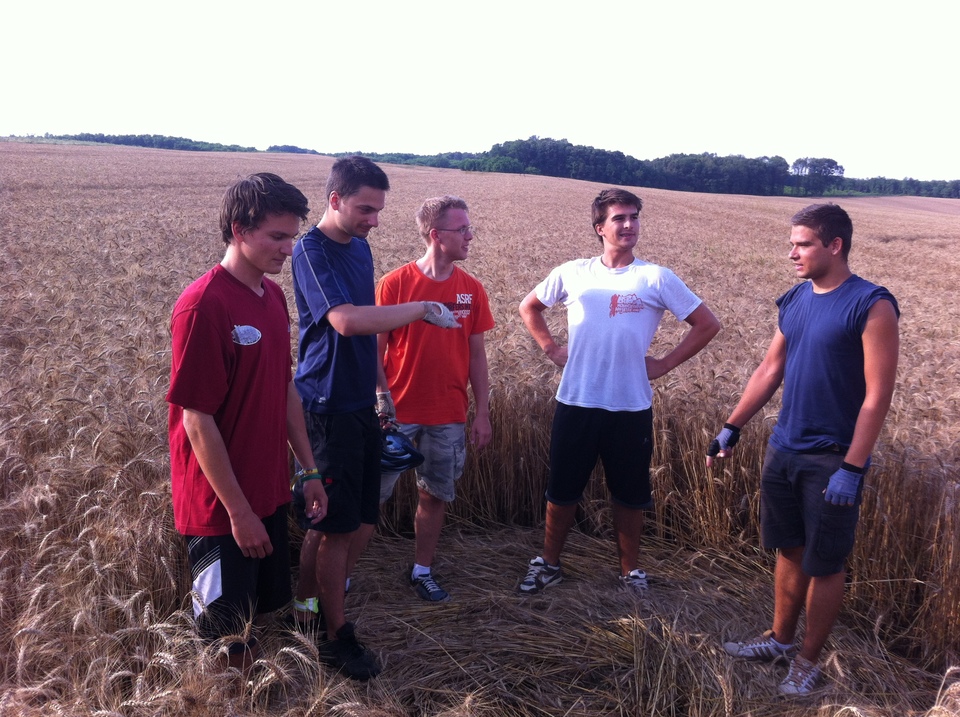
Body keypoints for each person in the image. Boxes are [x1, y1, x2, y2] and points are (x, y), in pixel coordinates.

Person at [708, 203, 900, 696]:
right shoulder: (795, 298)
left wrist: (852, 468)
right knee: (789, 549)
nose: (791, 253)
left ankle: (808, 662)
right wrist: (732, 426)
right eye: (791, 244)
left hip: (832, 458)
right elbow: (770, 369)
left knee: (825, 562)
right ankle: (780, 640)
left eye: (803, 244)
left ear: (834, 245)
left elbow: (878, 395)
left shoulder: (871, 304)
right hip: (785, 446)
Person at [290, 156, 458, 680]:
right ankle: (334, 636)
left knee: (354, 520)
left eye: (379, 210)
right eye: (365, 209)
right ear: (335, 199)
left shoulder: (359, 247)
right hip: (327, 406)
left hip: (360, 403)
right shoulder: (310, 250)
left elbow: (368, 330)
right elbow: (345, 321)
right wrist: (422, 308)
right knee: (335, 527)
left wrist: (381, 392)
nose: (375, 220)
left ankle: (304, 610)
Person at [517, 188, 720, 595]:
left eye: (634, 217)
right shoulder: (573, 272)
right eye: (619, 218)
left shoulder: (656, 277)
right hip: (576, 400)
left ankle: (630, 573)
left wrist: (664, 364)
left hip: (630, 405)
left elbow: (707, 324)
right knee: (562, 490)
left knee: (630, 495)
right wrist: (551, 348)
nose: (629, 225)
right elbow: (529, 306)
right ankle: (549, 564)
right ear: (600, 228)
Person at [166, 173, 326, 676]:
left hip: (267, 491)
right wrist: (238, 513)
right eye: (277, 236)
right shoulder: (204, 305)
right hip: (220, 508)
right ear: (239, 230)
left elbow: (285, 389)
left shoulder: (272, 297)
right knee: (226, 638)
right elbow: (197, 419)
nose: (288, 249)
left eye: (292, 236)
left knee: (255, 617)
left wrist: (308, 469)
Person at [362, 195, 494, 603]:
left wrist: (483, 412)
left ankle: (422, 570)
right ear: (436, 235)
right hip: (396, 414)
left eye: (470, 228)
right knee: (369, 495)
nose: (470, 236)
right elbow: (374, 351)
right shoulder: (395, 284)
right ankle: (342, 573)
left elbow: (477, 355)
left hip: (448, 414)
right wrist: (381, 401)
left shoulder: (472, 289)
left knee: (435, 494)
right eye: (462, 229)